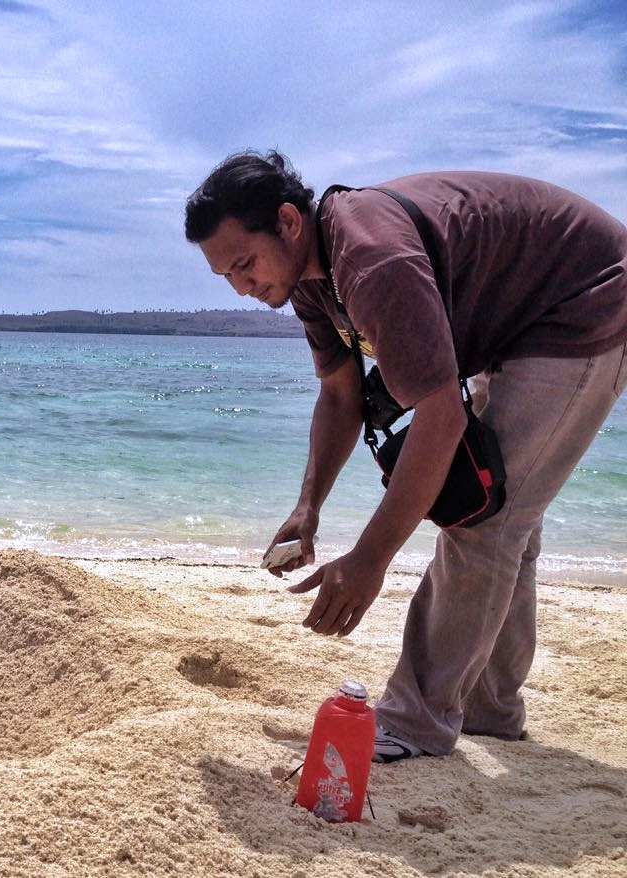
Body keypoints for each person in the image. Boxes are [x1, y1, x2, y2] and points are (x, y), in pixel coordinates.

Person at [184, 151, 627, 763]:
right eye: (225, 276)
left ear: (288, 222)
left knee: (486, 518)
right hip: (519, 325)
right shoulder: (312, 281)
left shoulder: (369, 260)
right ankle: (490, 712)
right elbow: (341, 396)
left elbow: (440, 418)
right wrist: (308, 506)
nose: (241, 287)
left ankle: (416, 722)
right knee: (508, 518)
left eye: (244, 263)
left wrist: (368, 560)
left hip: (587, 299)